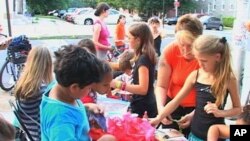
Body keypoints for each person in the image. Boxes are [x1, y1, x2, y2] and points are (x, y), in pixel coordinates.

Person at [150, 35, 242, 140]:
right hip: (194, 134)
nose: (200, 64)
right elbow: (175, 101)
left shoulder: (229, 79)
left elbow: (238, 109)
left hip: (216, 136)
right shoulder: (196, 75)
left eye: (204, 61)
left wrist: (221, 113)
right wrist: (158, 118)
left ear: (217, 57)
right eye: (198, 60)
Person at [40, 45, 116, 141]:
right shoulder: (60, 120)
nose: (90, 90)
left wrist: (87, 107)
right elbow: (65, 116)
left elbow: (71, 111)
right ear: (74, 87)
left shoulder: (59, 86)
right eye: (89, 88)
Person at [154, 14, 203, 137]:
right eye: (181, 45)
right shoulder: (170, 50)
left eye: (191, 45)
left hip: (200, 108)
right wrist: (161, 109)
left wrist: (195, 114)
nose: (185, 50)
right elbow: (161, 85)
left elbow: (213, 95)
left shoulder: (207, 55)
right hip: (172, 107)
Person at [111, 22, 157, 118]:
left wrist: (118, 84)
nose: (127, 40)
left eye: (129, 38)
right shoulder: (142, 56)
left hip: (143, 106)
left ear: (138, 40)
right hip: (144, 103)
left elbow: (143, 89)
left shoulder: (143, 59)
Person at [13, 46, 53, 141]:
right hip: (41, 136)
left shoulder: (23, 85)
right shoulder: (43, 92)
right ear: (49, 64)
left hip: (29, 134)